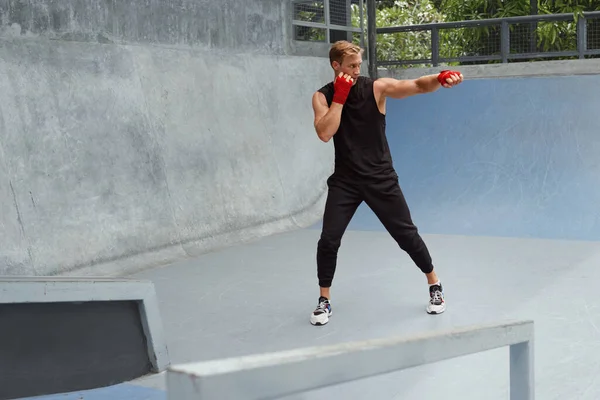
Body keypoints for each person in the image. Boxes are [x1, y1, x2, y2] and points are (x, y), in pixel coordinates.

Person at [309, 40, 463, 326]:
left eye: (358, 65)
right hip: (345, 181)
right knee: (329, 240)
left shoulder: (376, 88)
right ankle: (324, 300)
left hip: (380, 178)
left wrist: (440, 79)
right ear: (335, 66)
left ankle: (435, 285)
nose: (356, 71)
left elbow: (416, 85)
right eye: (351, 66)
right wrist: (340, 98)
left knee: (406, 234)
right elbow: (324, 133)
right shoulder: (323, 97)